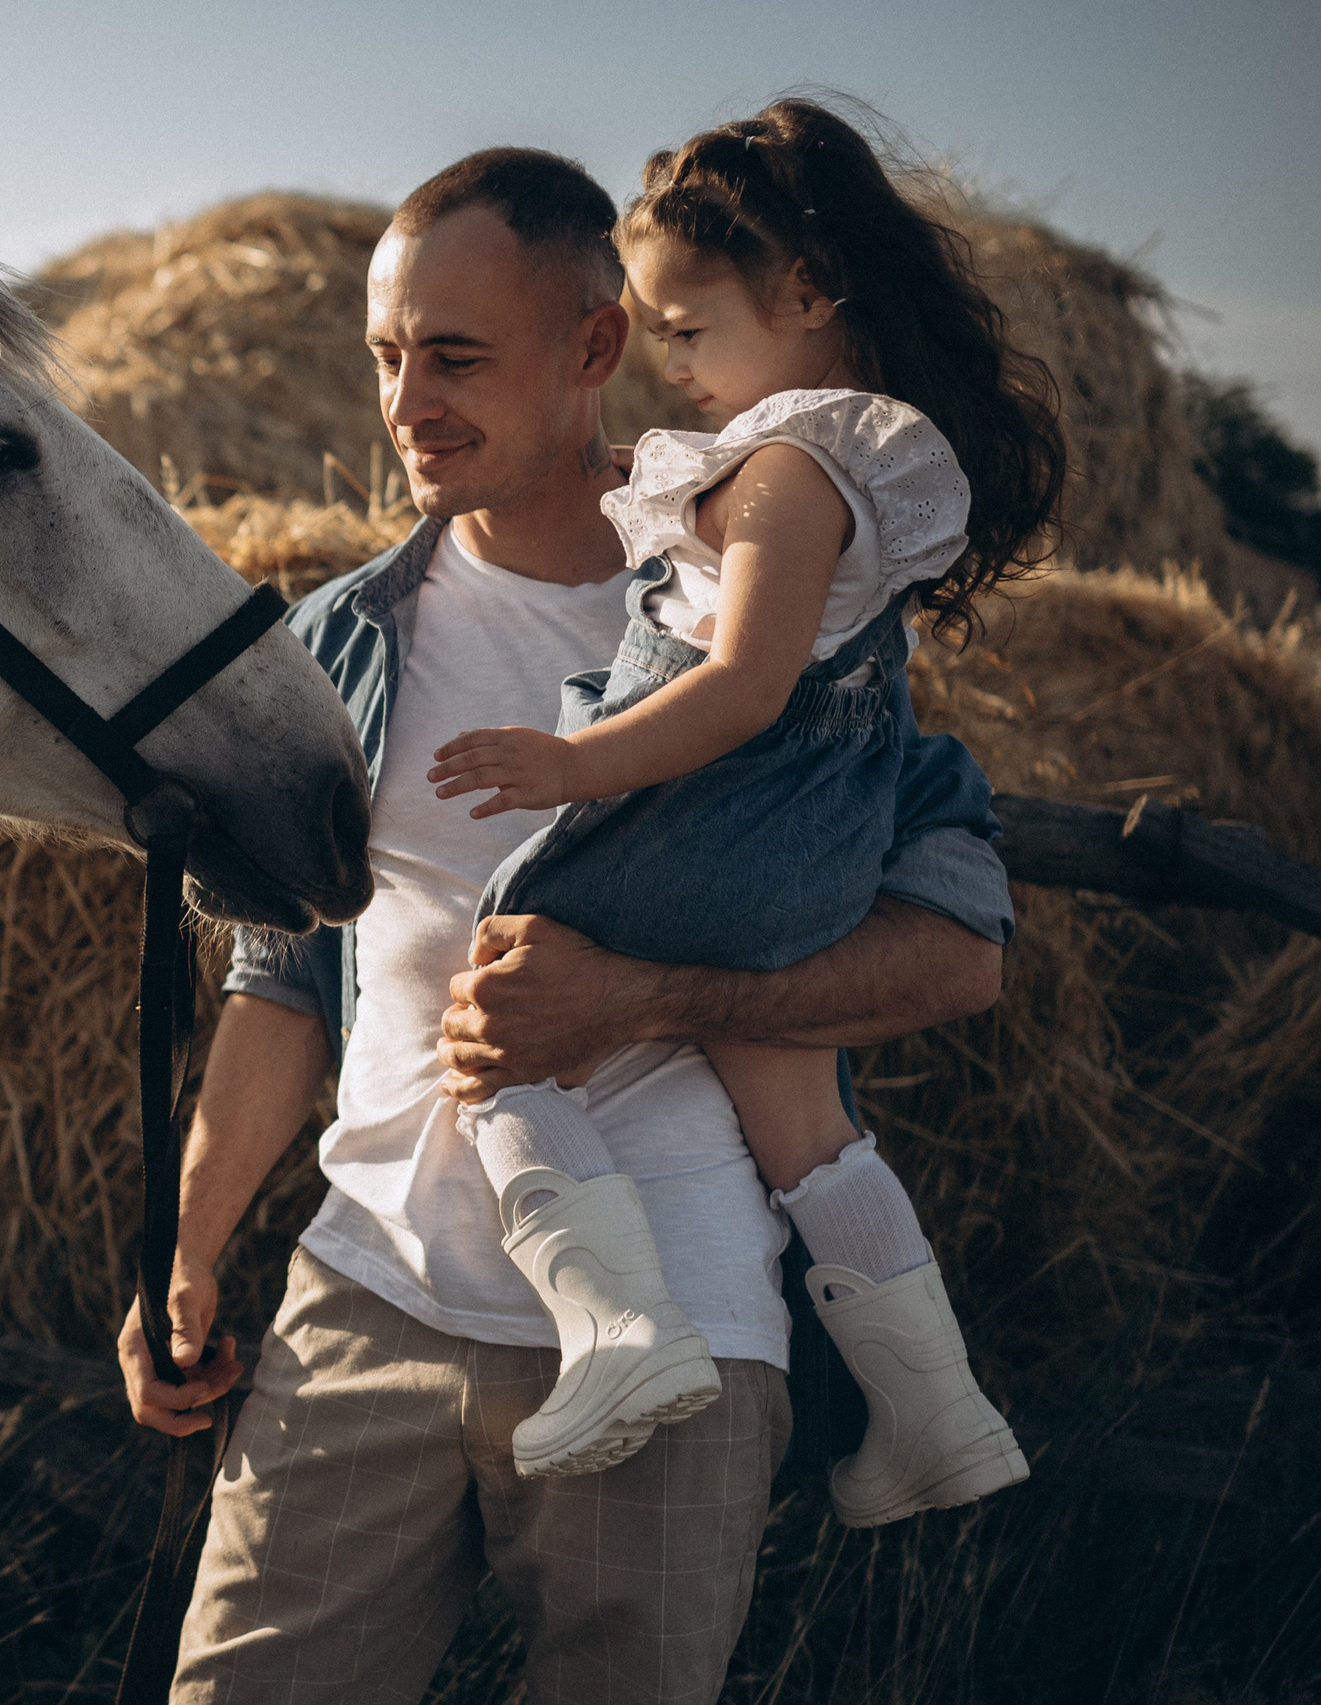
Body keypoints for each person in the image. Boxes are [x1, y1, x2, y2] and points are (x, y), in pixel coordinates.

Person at [116, 146, 1015, 1705]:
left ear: (597, 349)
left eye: (454, 358)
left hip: (693, 1330)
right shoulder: (341, 638)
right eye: (389, 357)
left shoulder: (777, 610)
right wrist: (184, 1249)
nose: (407, 404)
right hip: (368, 1300)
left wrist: (641, 994)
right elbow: (287, 982)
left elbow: (958, 952)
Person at [427, 100, 1064, 1517]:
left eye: (692, 326)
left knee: (499, 1020)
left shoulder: (789, 469)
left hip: (728, 830)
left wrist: (573, 767)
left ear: (807, 295)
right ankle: (936, 1413)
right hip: (807, 876)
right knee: (806, 1120)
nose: (670, 360)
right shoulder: (833, 463)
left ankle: (618, 1327)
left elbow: (744, 690)